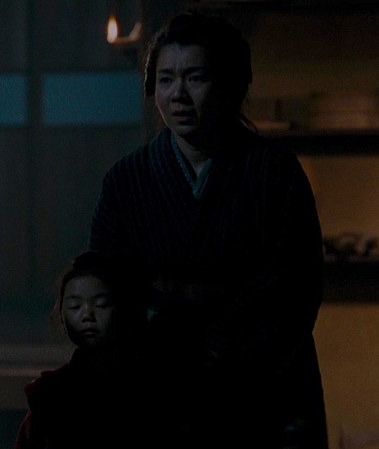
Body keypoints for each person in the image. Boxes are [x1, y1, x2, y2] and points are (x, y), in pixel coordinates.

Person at [88, 11, 328, 449]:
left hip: (265, 388)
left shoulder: (273, 172)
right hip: (160, 384)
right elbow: (108, 285)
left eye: (195, 78)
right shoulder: (127, 180)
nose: (178, 94)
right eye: (165, 80)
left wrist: (224, 346)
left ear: (231, 86)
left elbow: (296, 283)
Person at [14, 250, 146, 449]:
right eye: (75, 306)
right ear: (61, 316)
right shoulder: (49, 393)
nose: (87, 315)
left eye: (101, 305)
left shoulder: (147, 384)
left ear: (124, 310)